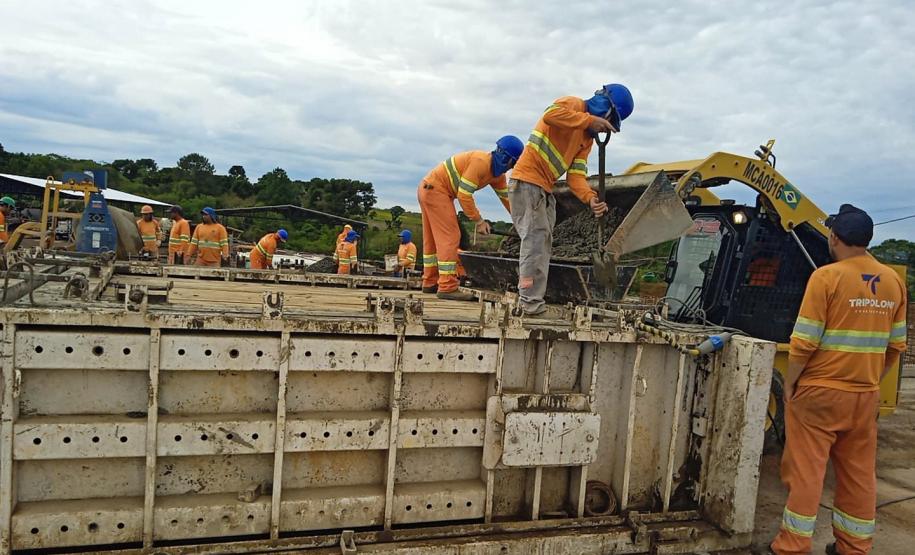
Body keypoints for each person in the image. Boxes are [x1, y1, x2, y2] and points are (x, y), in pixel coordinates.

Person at [770, 205, 907, 555]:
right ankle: (854, 546)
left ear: (833, 237)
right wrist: (871, 380)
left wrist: (791, 384)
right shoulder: (893, 281)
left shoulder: (826, 277)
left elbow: (804, 341)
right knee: (859, 474)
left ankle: (793, 546)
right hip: (864, 395)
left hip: (819, 392)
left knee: (806, 471)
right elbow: (896, 346)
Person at [510, 84, 633, 315]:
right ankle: (529, 302)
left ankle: (531, 298)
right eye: (609, 118)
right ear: (605, 105)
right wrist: (587, 121)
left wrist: (590, 199)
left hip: (544, 188)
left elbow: (576, 177)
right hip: (527, 181)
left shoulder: (585, 141)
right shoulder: (573, 104)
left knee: (544, 241)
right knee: (535, 240)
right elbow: (550, 115)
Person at [418, 135, 524, 300]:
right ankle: (447, 286)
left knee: (431, 240)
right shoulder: (480, 162)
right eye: (513, 163)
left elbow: (508, 200)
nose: (511, 168)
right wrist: (479, 221)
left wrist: (521, 221)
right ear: (506, 158)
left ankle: (430, 282)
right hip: (436, 190)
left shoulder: (497, 177)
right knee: (451, 236)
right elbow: (464, 195)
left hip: (428, 189)